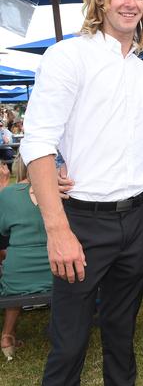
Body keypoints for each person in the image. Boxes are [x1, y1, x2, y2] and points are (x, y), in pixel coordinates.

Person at [20, 0, 143, 385]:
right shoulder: (67, 56)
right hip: (82, 221)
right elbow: (38, 143)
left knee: (122, 335)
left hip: (138, 217)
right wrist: (58, 232)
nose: (130, 3)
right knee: (69, 341)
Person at [0, 154, 52, 361]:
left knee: (14, 271)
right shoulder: (61, 190)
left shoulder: (9, 194)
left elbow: (2, 232)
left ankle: (6, 335)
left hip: (16, 276)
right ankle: (60, 329)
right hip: (56, 272)